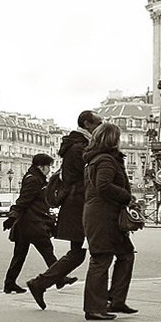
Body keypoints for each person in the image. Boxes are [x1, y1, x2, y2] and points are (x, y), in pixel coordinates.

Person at [26, 110, 104, 311]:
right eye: (98, 123)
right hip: (79, 204)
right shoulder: (79, 148)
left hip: (77, 203)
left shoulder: (77, 145)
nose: (100, 127)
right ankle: (41, 283)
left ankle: (41, 283)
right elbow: (84, 178)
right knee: (94, 252)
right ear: (87, 124)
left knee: (81, 253)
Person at [81, 123, 137, 320]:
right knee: (101, 259)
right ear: (112, 140)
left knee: (126, 254)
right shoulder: (104, 160)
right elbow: (103, 186)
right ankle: (94, 307)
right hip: (103, 216)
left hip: (103, 215)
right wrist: (126, 197)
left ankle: (116, 300)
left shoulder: (96, 159)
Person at [2, 153, 58, 294]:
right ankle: (59, 277)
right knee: (47, 251)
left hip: (25, 224)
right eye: (48, 167)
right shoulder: (34, 180)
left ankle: (9, 283)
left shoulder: (33, 177)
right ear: (41, 167)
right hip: (33, 223)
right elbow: (24, 200)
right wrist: (12, 216)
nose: (49, 170)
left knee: (19, 256)